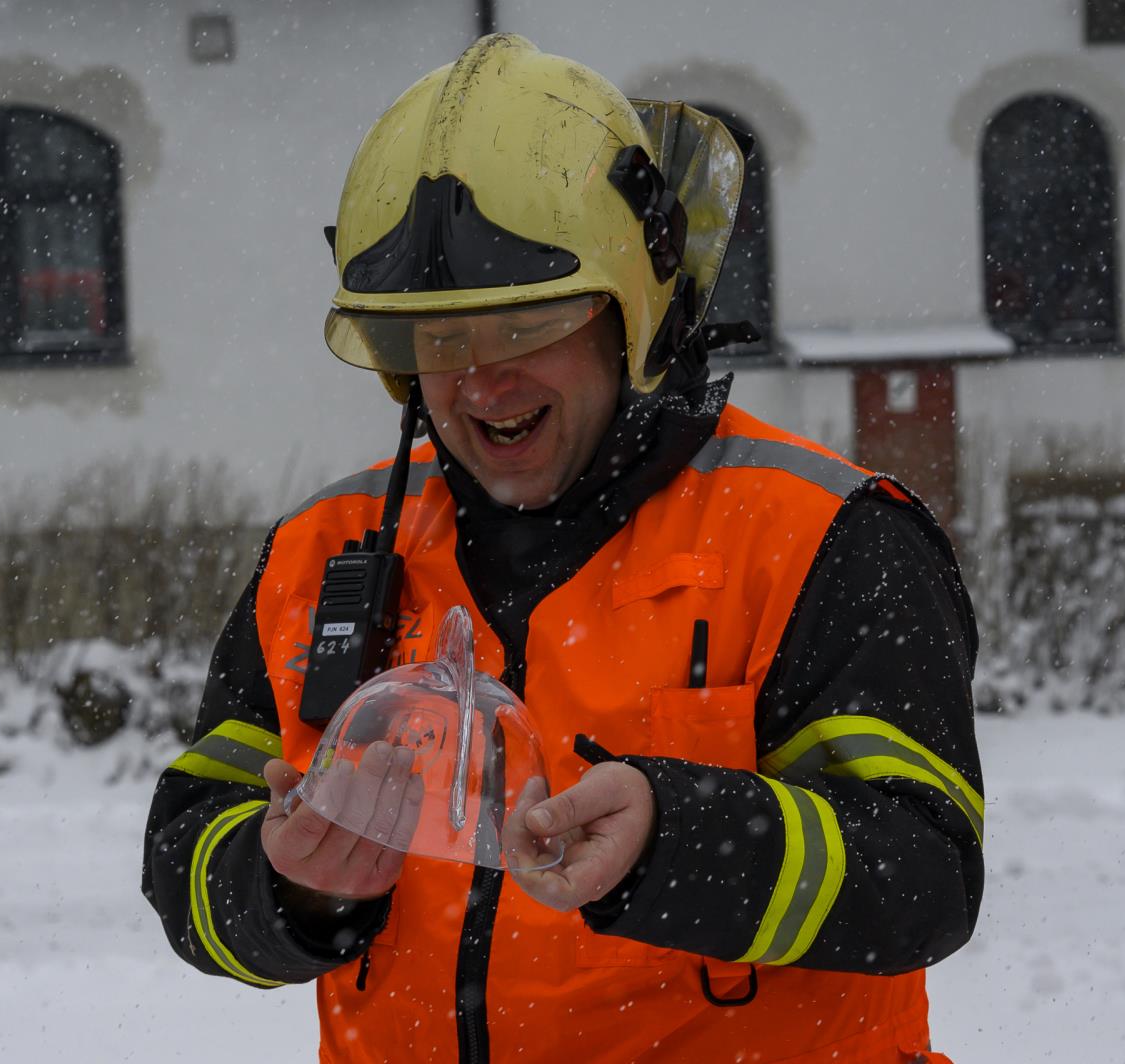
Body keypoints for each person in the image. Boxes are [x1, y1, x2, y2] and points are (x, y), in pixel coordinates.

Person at [142, 33, 983, 1064]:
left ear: (631, 312)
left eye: (525, 326)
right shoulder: (322, 555)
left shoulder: (821, 535)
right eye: (438, 342)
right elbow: (187, 854)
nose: (482, 383)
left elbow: (924, 872)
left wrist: (677, 836)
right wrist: (291, 885)